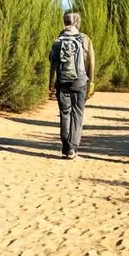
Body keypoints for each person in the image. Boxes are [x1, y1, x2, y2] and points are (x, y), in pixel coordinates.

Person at [49, 11, 95, 159]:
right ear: (77, 23)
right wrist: (91, 81)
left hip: (62, 81)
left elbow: (53, 63)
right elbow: (91, 62)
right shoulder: (85, 39)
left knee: (65, 113)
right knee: (78, 113)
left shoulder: (58, 40)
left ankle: (65, 146)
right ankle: (72, 148)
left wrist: (51, 81)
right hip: (80, 81)